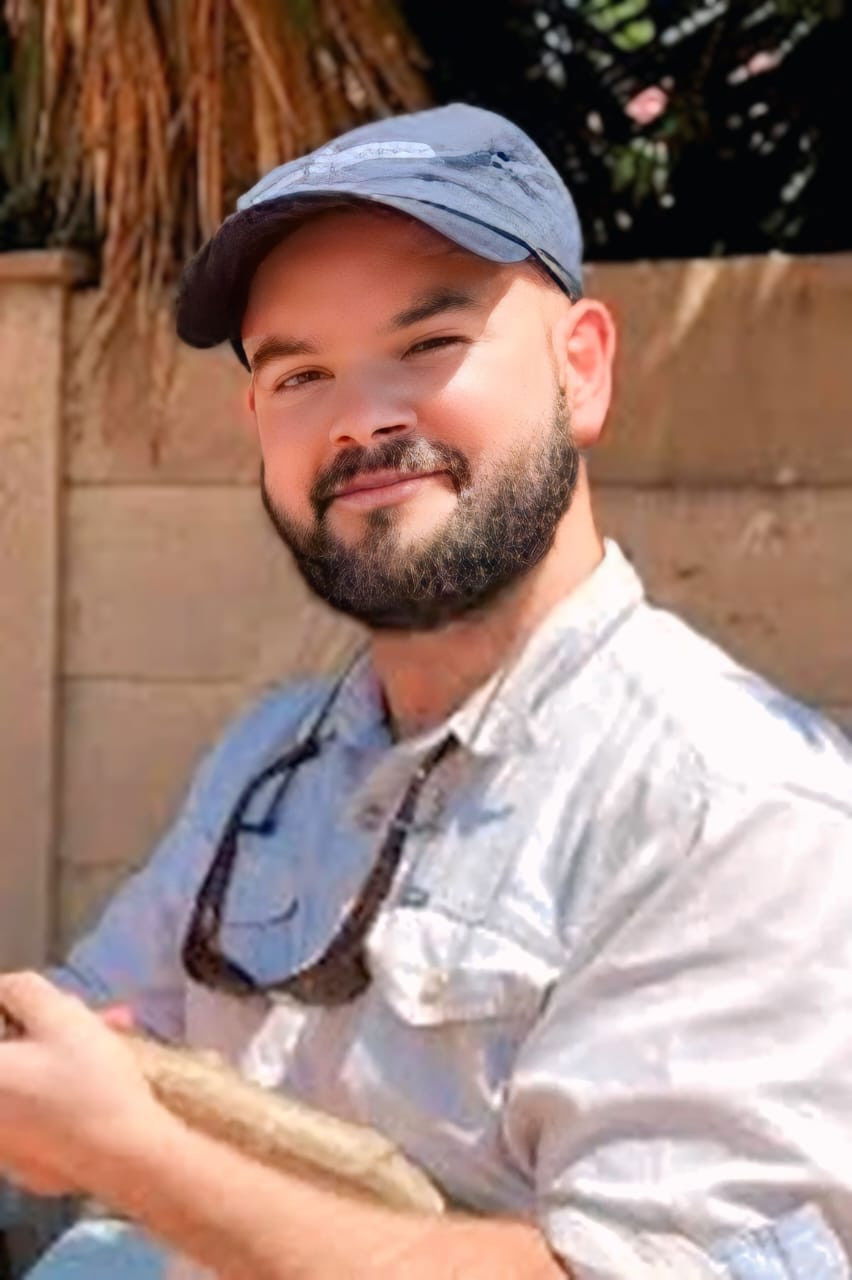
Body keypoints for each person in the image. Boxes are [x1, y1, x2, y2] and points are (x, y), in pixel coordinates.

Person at [0, 103, 850, 1280]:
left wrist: (137, 1158)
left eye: (430, 342)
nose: (361, 419)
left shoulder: (739, 809)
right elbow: (88, 1024)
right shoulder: (274, 756)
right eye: (301, 373)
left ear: (581, 368)